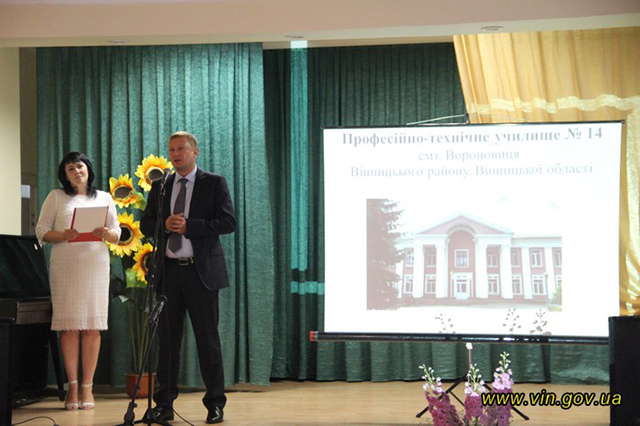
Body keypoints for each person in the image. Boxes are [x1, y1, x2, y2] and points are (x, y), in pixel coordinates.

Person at [141, 131, 236, 424]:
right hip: (169, 274)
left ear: (195, 152)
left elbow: (228, 222)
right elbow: (146, 225)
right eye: (171, 150)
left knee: (208, 342)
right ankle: (164, 405)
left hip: (200, 273)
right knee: (168, 344)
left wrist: (190, 226)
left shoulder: (213, 183)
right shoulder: (160, 186)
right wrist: (164, 224)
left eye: (181, 149)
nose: (175, 154)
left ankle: (215, 404)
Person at [35, 152, 121, 410]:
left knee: (92, 327)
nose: (76, 171)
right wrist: (63, 234)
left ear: (88, 169)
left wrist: (107, 233)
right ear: (65, 174)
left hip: (95, 264)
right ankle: (72, 387)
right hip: (66, 265)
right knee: (70, 327)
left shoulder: (104, 197)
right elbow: (41, 231)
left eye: (79, 166)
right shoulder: (56, 196)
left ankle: (87, 387)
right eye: (70, 168)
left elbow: (117, 233)